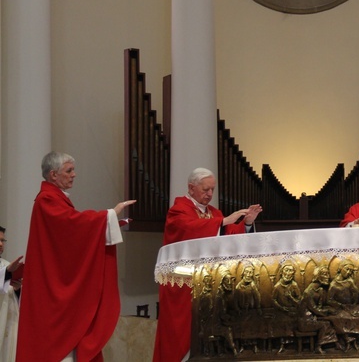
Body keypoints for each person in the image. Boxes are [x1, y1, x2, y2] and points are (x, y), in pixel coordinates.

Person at [16, 151, 136, 362]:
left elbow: (72, 232)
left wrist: (108, 224)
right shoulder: (47, 200)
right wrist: (109, 214)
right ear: (53, 175)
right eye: (69, 171)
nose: (74, 175)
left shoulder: (55, 198)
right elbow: (73, 226)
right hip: (50, 287)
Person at [153, 167, 263, 362]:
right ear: (191, 187)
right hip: (184, 284)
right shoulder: (179, 209)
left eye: (212, 189)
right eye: (205, 189)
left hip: (209, 283)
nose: (210, 194)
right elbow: (188, 228)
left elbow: (229, 236)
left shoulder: (214, 213)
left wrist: (246, 223)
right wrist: (221, 222)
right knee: (182, 332)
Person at [0, 225, 22, 361]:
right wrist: (7, 272)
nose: (1, 244)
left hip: (8, 326)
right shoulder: (8, 268)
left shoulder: (7, 265)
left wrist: (18, 289)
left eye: (3, 241)